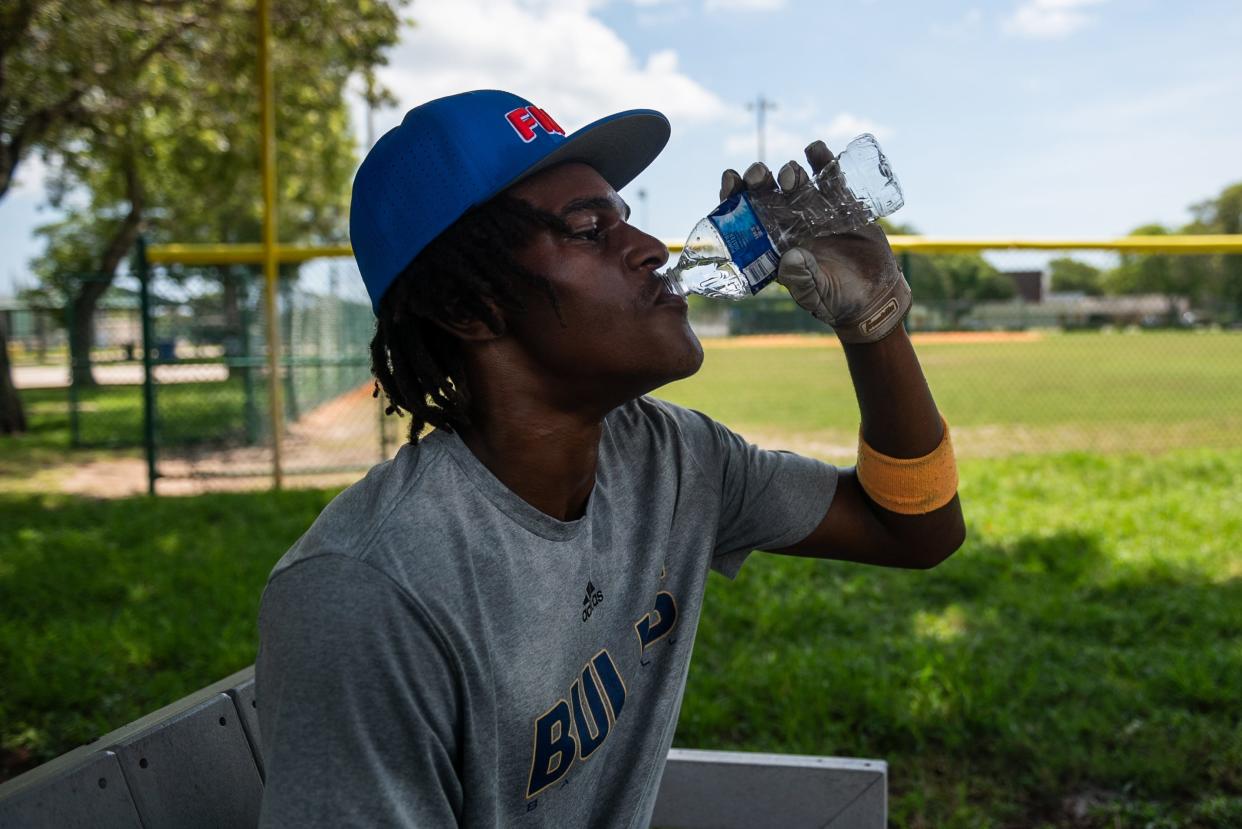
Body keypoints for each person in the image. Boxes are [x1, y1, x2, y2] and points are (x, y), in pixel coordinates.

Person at [255, 89, 965, 828]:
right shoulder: (369, 589)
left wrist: (876, 326)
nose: (650, 247)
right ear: (469, 306)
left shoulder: (672, 457)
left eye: (623, 216)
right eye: (590, 230)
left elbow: (915, 531)